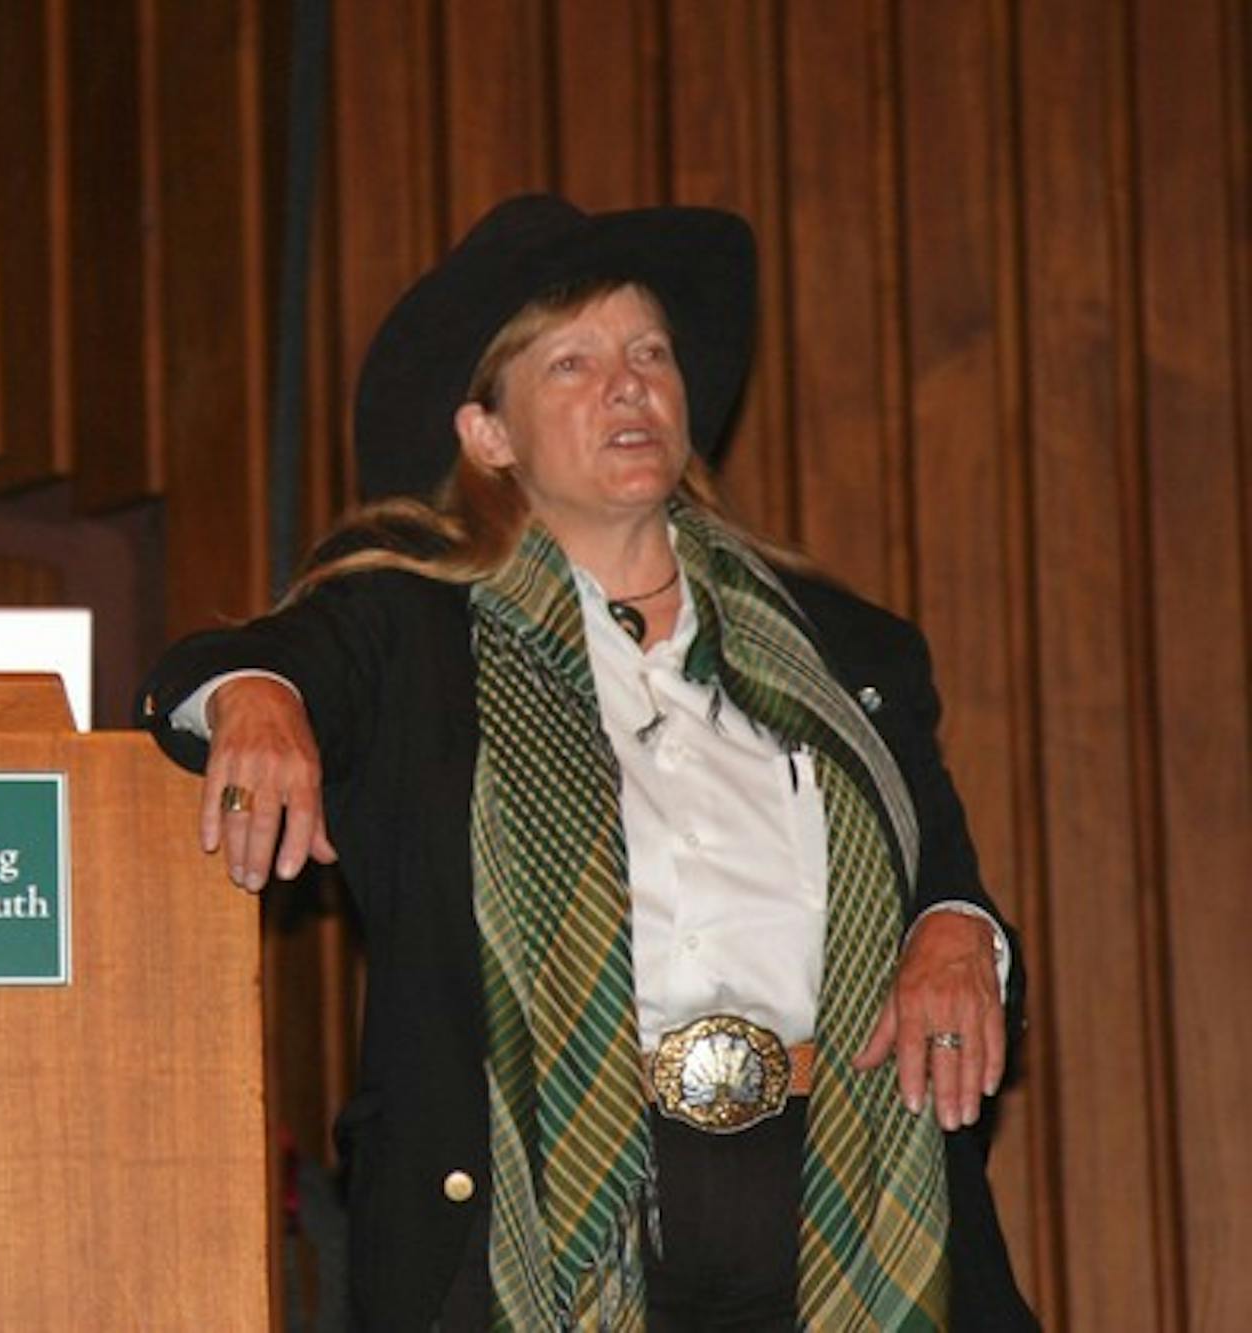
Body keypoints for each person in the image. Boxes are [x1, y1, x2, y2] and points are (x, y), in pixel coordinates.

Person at [139, 195, 1036, 1331]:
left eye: (648, 353)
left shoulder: (839, 647)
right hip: (536, 1217)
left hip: (839, 1198)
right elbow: (200, 676)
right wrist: (260, 698)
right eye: (572, 362)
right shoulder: (408, 633)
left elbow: (942, 875)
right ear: (488, 435)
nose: (627, 385)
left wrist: (954, 928)